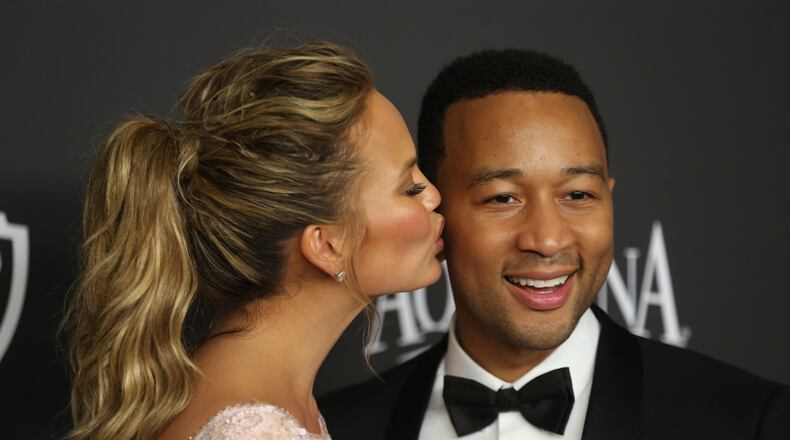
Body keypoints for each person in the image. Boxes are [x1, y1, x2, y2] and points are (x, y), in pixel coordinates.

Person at [318, 49, 790, 439]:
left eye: (578, 195)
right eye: (502, 198)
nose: (547, 239)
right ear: (435, 214)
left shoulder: (749, 420)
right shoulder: (334, 428)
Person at [62, 41, 445, 440]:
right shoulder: (254, 430)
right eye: (409, 188)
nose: (433, 195)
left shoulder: (266, 401)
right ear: (326, 245)